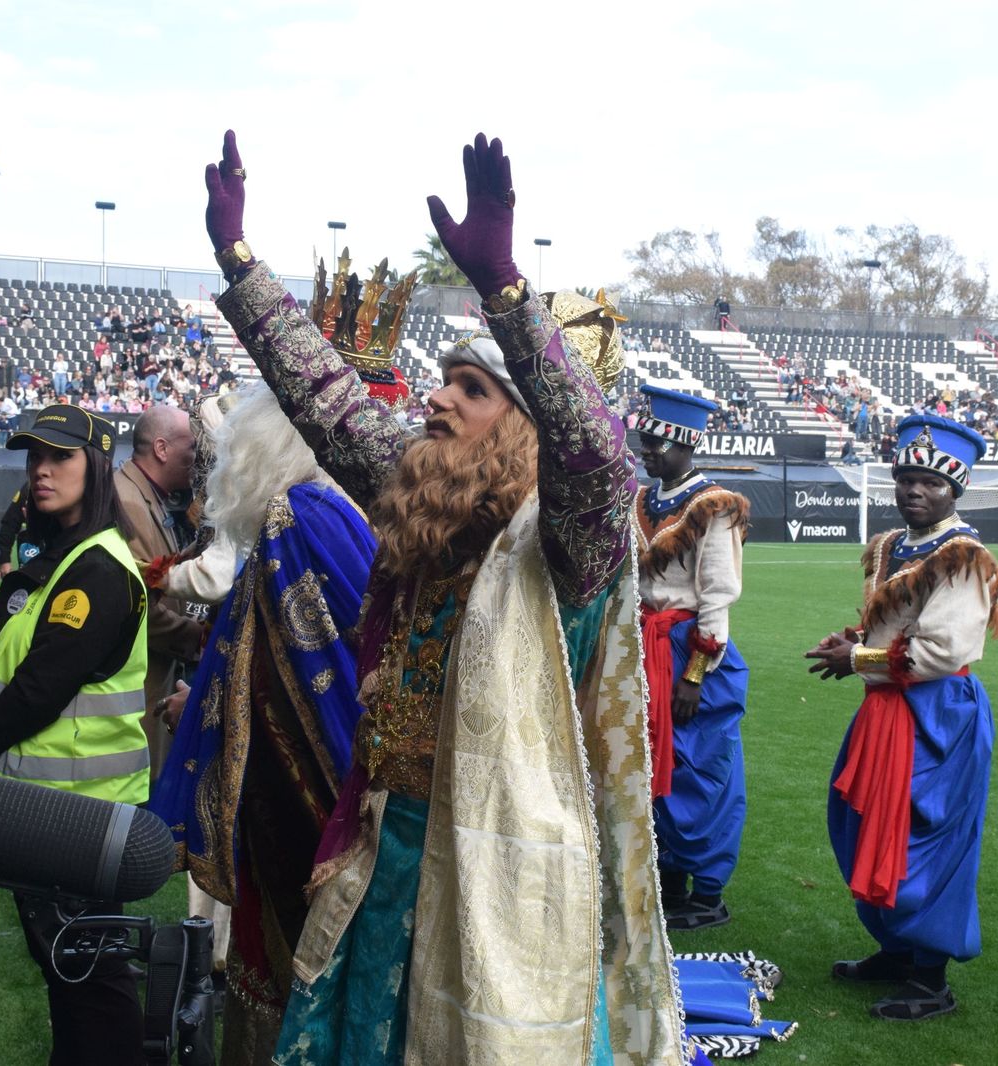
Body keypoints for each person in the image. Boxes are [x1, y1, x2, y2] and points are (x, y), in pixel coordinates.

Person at [205, 129, 689, 1065]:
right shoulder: (432, 496)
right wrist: (239, 261)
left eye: (472, 390)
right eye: (443, 381)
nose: (438, 401)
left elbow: (597, 451)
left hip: (499, 865)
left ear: (527, 426)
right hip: (391, 847)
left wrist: (506, 290)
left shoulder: (569, 534)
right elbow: (328, 400)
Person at [148, 384, 381, 1062]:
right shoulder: (325, 507)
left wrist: (206, 708)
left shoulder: (294, 517)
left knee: (286, 966)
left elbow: (292, 660)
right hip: (307, 774)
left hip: (292, 786)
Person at [0, 404, 150, 1066]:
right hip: (53, 812)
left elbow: (39, 690)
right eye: (34, 456)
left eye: (60, 456)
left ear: (96, 467)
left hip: (78, 818)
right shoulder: (66, 555)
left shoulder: (95, 566)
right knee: (67, 971)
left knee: (91, 980)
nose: (41, 470)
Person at [804, 414, 998, 1022]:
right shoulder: (892, 546)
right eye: (906, 478)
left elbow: (941, 652)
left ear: (955, 489)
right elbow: (889, 629)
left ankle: (930, 979)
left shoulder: (964, 558)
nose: (915, 490)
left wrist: (859, 659)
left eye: (930, 481)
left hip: (935, 717)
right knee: (863, 825)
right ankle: (897, 949)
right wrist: (853, 641)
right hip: (885, 708)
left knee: (922, 840)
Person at [634, 384, 750, 932]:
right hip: (647, 645)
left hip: (690, 652)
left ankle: (706, 891)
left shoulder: (715, 508)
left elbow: (718, 594)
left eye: (659, 441)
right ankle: (669, 881)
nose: (648, 449)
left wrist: (696, 674)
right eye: (645, 438)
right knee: (655, 762)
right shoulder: (642, 500)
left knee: (701, 768)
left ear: (686, 442)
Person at [113, 406, 203, 780]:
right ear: (162, 449)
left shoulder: (144, 495)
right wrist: (198, 637)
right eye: (192, 448)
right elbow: (133, 602)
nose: (197, 459)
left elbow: (157, 572)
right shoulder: (128, 501)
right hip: (137, 691)